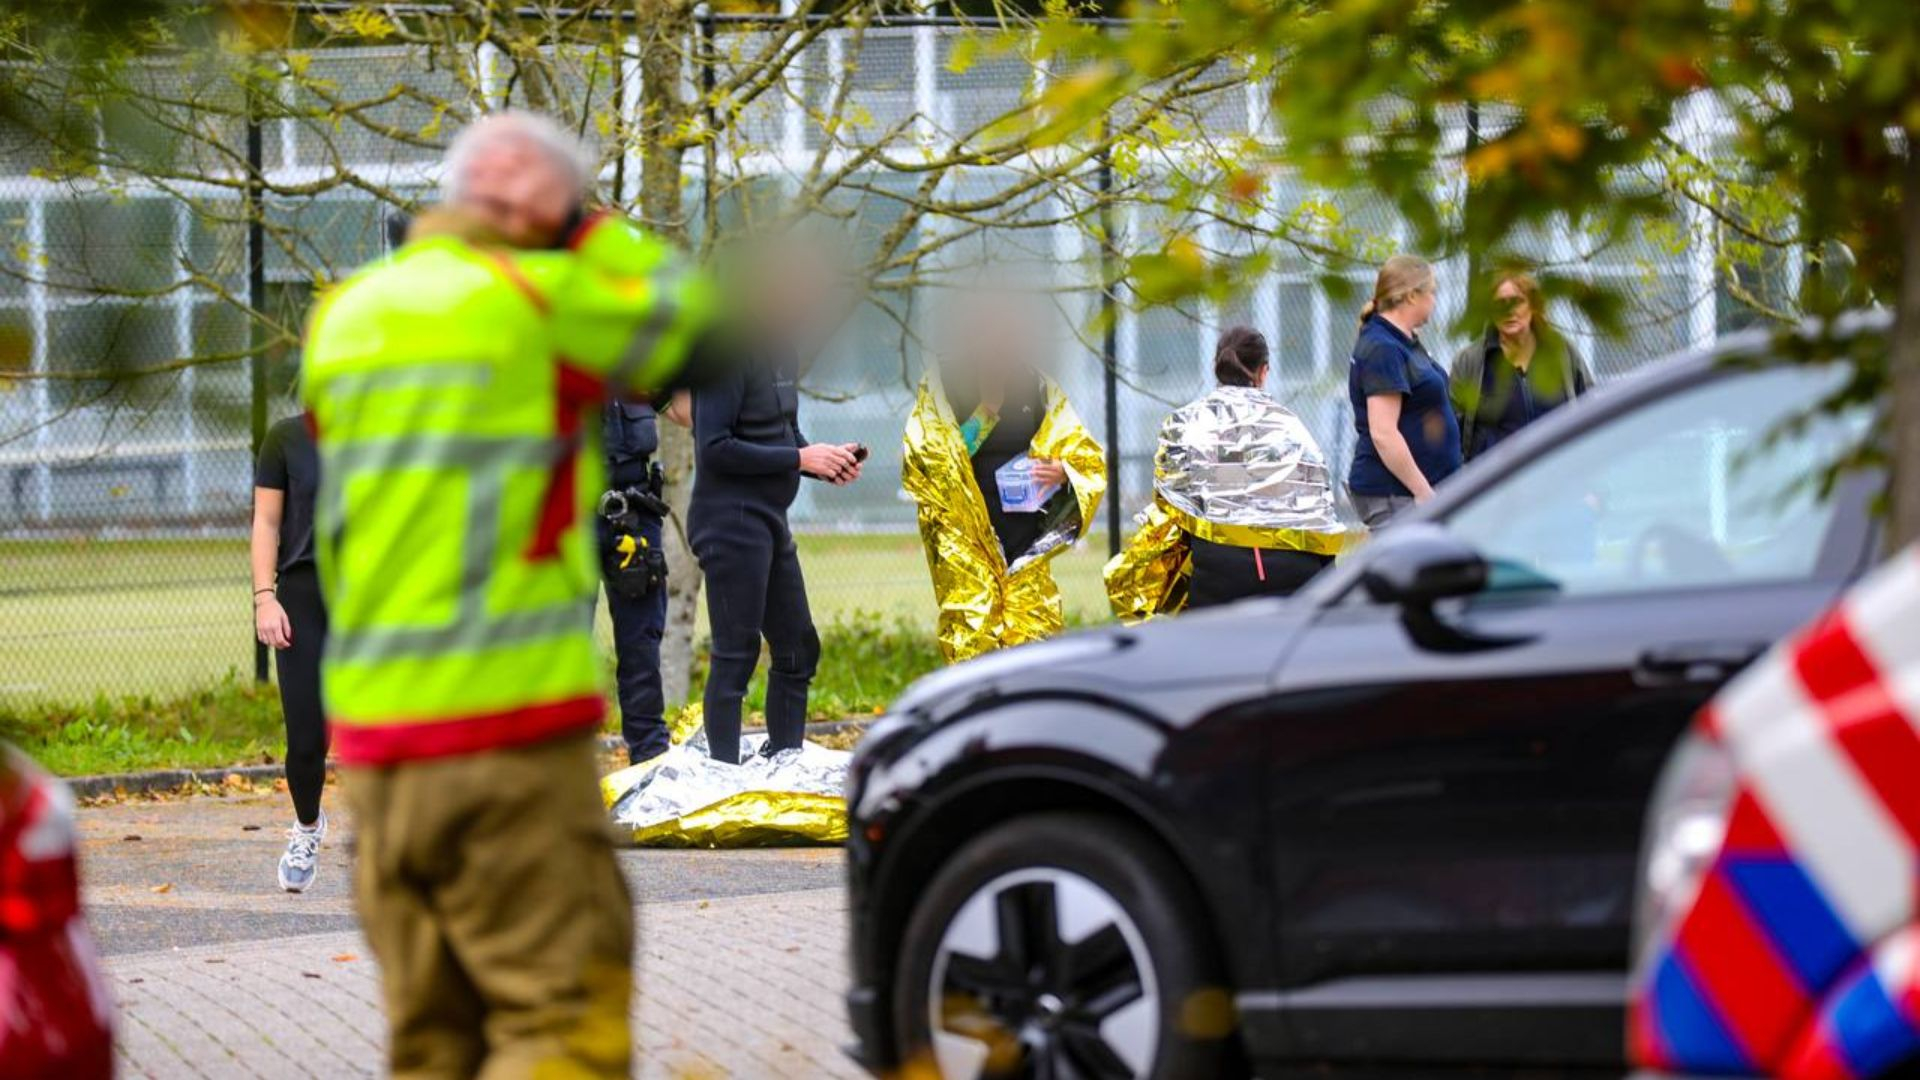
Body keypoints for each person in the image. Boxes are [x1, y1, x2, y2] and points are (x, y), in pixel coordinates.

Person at [300, 110, 717, 1078]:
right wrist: (586, 228)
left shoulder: (348, 314)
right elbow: (696, 327)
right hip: (507, 735)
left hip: (374, 741)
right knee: (558, 1021)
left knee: (433, 1038)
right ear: (543, 204)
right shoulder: (535, 296)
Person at [901, 295, 1106, 663]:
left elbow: (1079, 451)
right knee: (973, 639)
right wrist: (986, 411)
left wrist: (1063, 471)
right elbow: (934, 462)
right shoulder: (946, 384)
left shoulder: (1036, 384)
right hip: (969, 539)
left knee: (1034, 642)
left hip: (1024, 538)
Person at [1105, 327, 1352, 618]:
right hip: (1294, 575)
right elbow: (1319, 512)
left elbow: (1169, 510)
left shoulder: (1187, 425)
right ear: (1264, 372)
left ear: (1216, 368)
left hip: (1218, 575)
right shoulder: (1293, 429)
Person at [691, 344, 860, 765]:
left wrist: (825, 461)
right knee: (736, 654)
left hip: (770, 520)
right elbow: (713, 446)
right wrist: (800, 457)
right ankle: (723, 777)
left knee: (798, 648)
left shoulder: (785, 352)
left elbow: (783, 433)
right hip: (729, 522)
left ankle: (785, 763)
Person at [250, 414, 329, 892]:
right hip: (303, 597)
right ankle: (307, 827)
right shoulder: (284, 437)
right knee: (305, 742)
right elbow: (266, 520)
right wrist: (265, 597)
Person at [1346, 253, 1461, 528]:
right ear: (1412, 296)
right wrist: (1423, 492)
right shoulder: (1383, 348)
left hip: (1415, 494)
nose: (1434, 300)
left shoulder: (1402, 342)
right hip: (1396, 496)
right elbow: (1383, 432)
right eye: (1431, 292)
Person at [1450, 270, 1597, 461]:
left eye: (1517, 301)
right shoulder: (1469, 360)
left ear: (1534, 306)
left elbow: (1591, 407)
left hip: (1560, 473)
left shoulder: (1561, 351)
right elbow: (1451, 430)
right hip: (1497, 479)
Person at [597, 395, 671, 765]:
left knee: (641, 643)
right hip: (562, 509)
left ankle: (651, 764)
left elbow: (685, 410)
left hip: (634, 510)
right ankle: (558, 773)